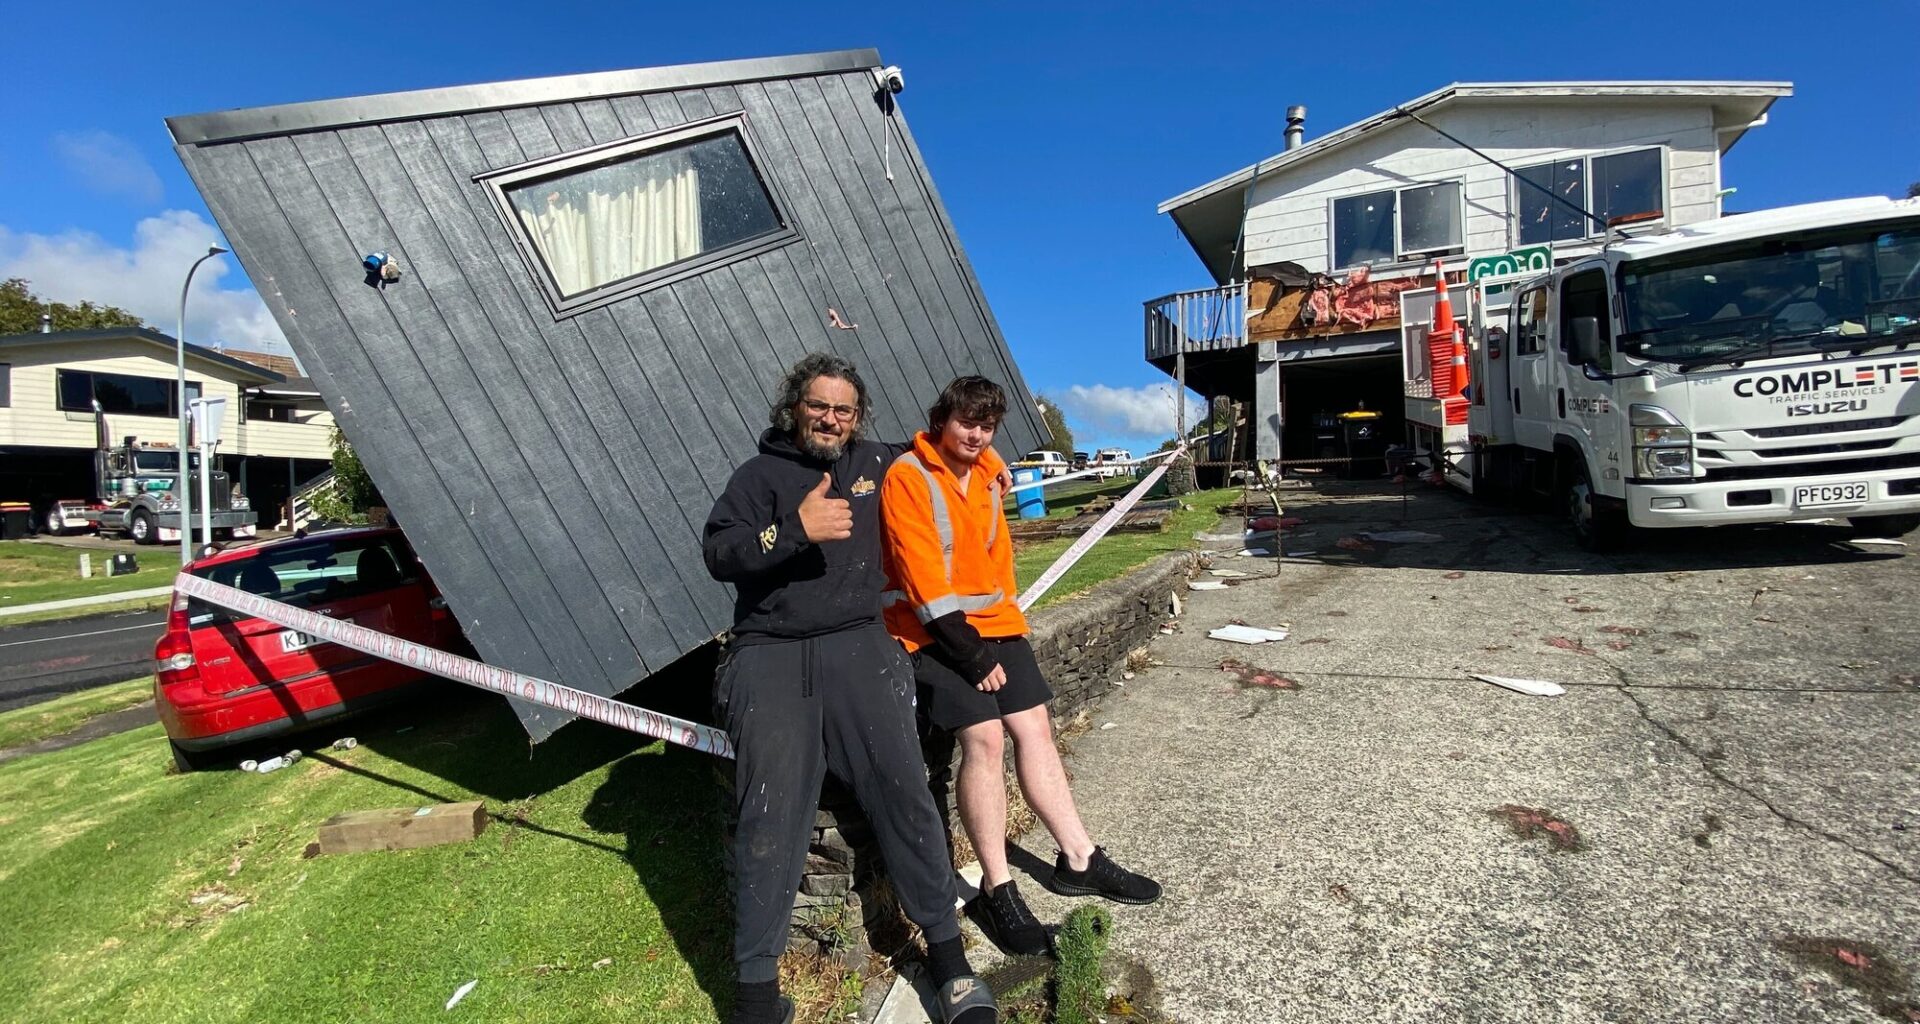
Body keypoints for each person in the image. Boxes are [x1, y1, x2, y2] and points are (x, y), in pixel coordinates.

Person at [703, 354, 997, 1024]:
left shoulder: (878, 463)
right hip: (769, 653)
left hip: (860, 643)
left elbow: (952, 447)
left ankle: (949, 966)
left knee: (906, 792)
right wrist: (792, 532)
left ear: (857, 416)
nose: (830, 419)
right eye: (819, 406)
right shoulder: (757, 477)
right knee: (768, 818)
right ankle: (755, 996)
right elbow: (720, 554)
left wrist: (995, 467)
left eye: (843, 409)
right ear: (795, 407)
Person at [880, 375, 1162, 959]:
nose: (977, 436)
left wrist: (993, 459)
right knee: (982, 740)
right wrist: (971, 655)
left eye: (987, 428)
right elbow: (923, 579)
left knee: (1036, 730)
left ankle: (1078, 858)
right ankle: (996, 885)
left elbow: (977, 469)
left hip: (998, 623)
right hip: (934, 632)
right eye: (966, 424)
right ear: (941, 419)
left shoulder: (984, 468)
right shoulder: (908, 476)